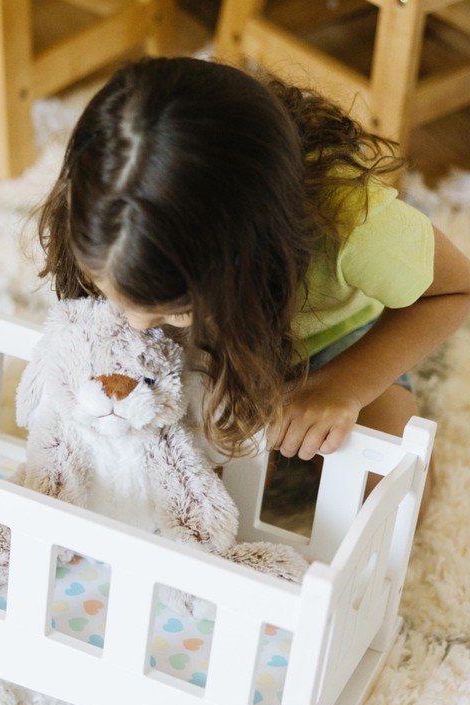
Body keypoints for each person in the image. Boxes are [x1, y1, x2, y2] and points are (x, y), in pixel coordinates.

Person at [35, 56, 470, 508]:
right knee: (192, 492)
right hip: (205, 349)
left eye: (176, 309)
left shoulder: (355, 222)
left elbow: (456, 291)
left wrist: (345, 386)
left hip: (334, 346)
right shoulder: (107, 212)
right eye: (114, 296)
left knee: (395, 502)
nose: (138, 324)